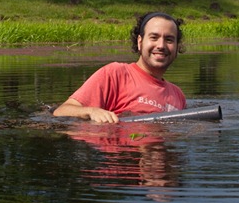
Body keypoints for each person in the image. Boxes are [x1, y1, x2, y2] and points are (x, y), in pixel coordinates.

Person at [53, 12, 186, 123]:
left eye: (169, 39)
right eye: (154, 37)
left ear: (176, 46)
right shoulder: (115, 74)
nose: (161, 45)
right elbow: (61, 112)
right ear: (140, 42)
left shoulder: (178, 96)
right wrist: (92, 111)